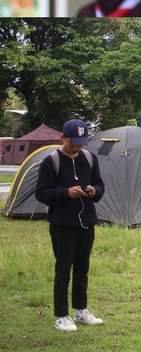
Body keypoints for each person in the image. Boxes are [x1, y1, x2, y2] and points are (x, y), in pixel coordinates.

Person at [35, 119, 105, 332]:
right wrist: (66, 193)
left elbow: (100, 184)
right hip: (62, 225)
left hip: (87, 223)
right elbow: (41, 193)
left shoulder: (90, 158)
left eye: (81, 142)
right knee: (63, 269)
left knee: (82, 268)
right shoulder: (51, 162)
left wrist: (94, 191)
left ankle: (81, 310)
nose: (78, 146)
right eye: (73, 142)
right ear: (63, 138)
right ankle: (61, 315)